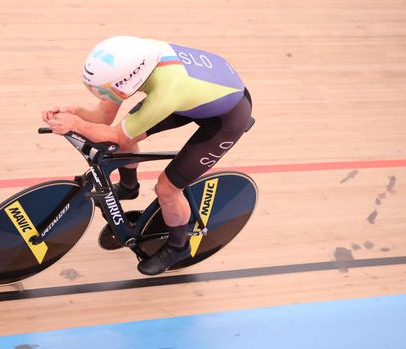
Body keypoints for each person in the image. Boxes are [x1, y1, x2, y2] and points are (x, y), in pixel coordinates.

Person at [42, 36, 252, 276]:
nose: (103, 95)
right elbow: (103, 119)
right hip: (194, 97)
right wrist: (74, 112)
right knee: (126, 134)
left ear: (129, 80)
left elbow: (116, 137)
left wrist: (77, 124)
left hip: (225, 118)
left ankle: (178, 246)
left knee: (167, 188)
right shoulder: (134, 59)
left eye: (106, 90)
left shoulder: (167, 91)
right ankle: (129, 187)